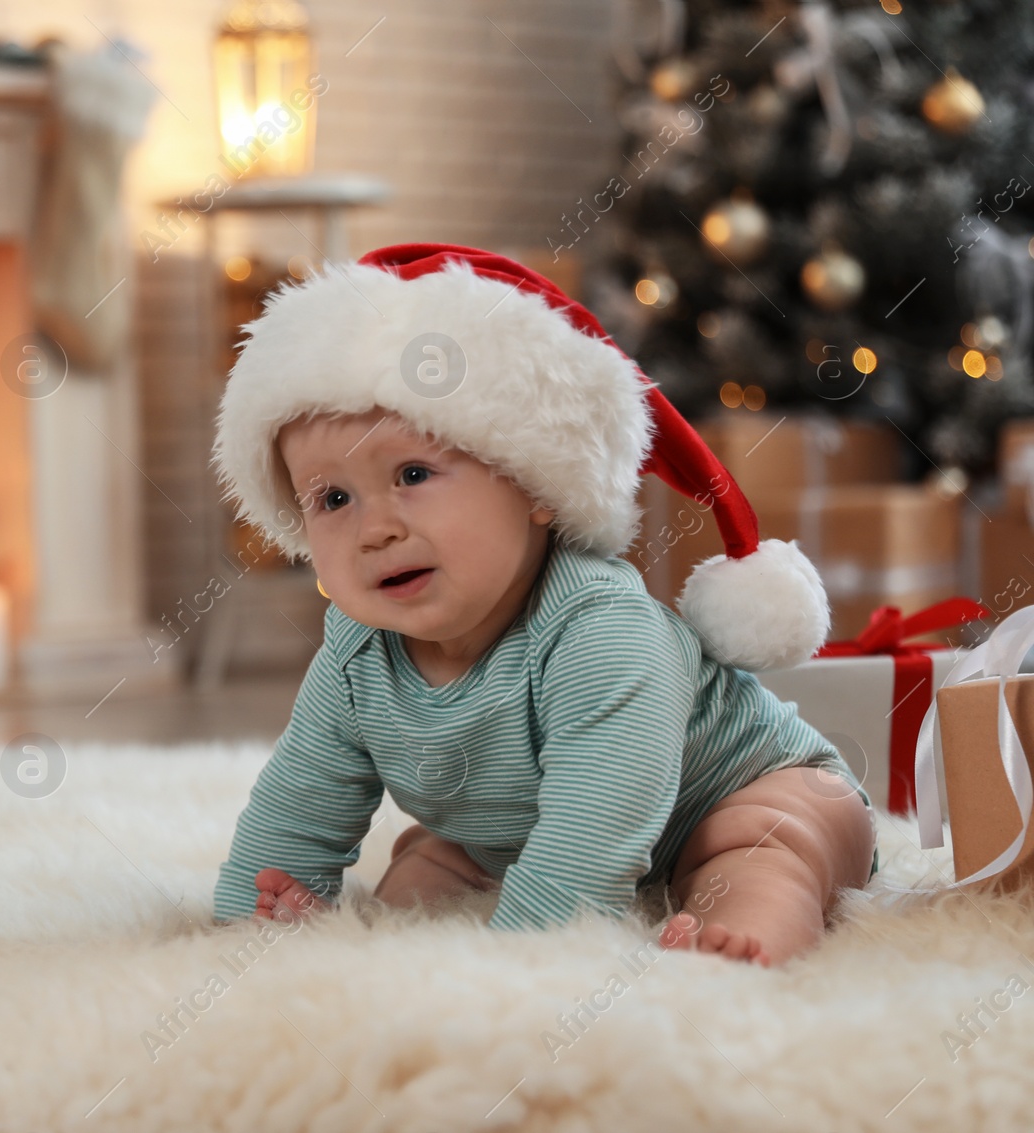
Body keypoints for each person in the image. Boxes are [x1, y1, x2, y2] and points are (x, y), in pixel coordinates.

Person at [207, 243, 877, 967]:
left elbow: (600, 816)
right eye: (332, 498)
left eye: (412, 473)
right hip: (519, 833)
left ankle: (747, 934)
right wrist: (254, 905)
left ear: (532, 486)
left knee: (764, 847)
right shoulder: (356, 650)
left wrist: (523, 952)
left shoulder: (600, 628)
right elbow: (302, 792)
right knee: (421, 874)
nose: (376, 529)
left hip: (734, 795)